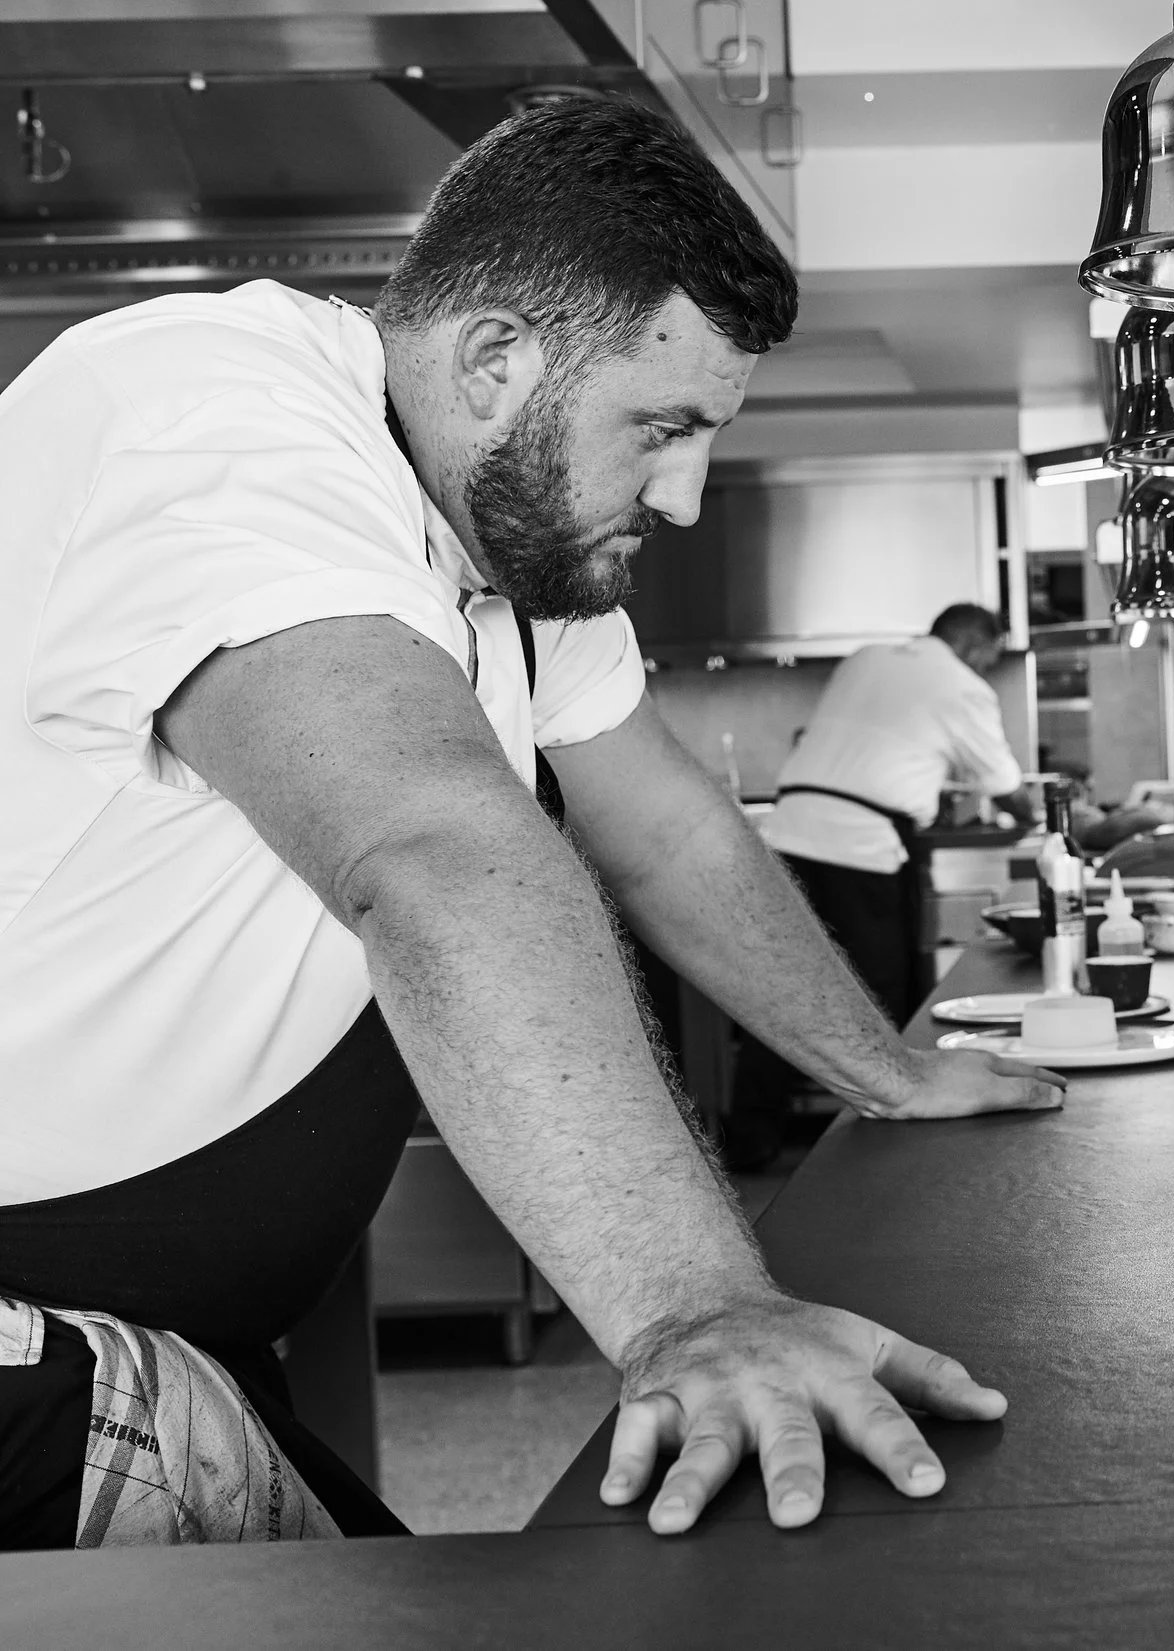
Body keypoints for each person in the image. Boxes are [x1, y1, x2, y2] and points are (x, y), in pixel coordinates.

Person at [0, 98, 1063, 1551]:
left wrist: (881, 1064)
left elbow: (666, 828)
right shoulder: (212, 423)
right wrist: (701, 1307)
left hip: (165, 1334)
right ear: (496, 360)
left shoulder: (506, 540)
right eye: (665, 426)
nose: (684, 495)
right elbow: (436, 850)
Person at [756, 603, 1024, 1030]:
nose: (986, 670)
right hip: (862, 849)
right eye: (989, 659)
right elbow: (1007, 790)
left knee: (785, 986)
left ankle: (760, 1098)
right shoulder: (963, 687)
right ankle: (885, 1094)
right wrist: (1047, 818)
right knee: (879, 991)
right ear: (975, 645)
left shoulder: (865, 658)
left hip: (787, 836)